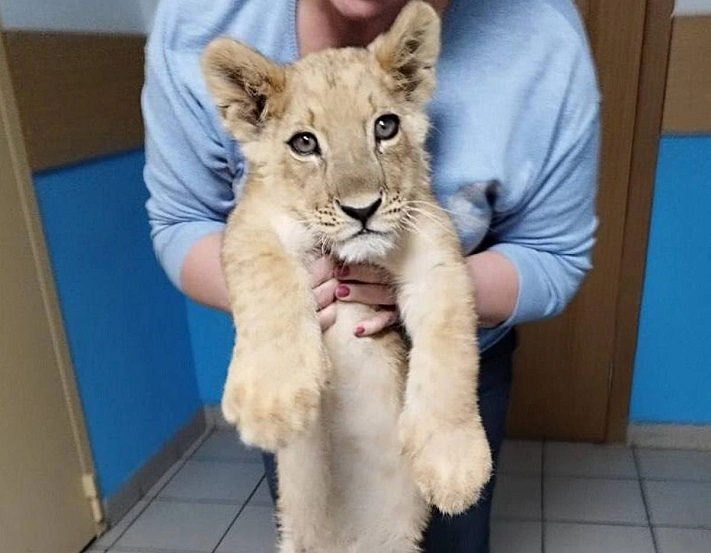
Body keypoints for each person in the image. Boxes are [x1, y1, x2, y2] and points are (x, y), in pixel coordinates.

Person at [142, 0, 600, 551]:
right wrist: (281, 310)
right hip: (301, 360)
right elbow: (181, 221)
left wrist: (431, 289)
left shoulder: (543, 39)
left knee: (455, 525)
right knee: (318, 532)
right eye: (307, 142)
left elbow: (556, 254)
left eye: (384, 126)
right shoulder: (200, 19)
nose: (359, 195)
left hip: (457, 357)